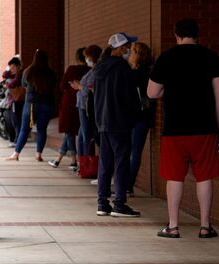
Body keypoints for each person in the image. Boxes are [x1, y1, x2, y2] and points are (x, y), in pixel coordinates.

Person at [147, 18, 219, 238]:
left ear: (177, 34)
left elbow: (151, 93)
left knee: (174, 177)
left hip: (174, 129)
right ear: (197, 34)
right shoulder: (211, 57)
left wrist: (171, 92)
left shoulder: (166, 58)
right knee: (204, 177)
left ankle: (173, 226)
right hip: (204, 128)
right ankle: (205, 226)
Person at [92, 32, 141, 217]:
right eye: (127, 47)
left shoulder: (100, 68)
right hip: (120, 121)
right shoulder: (122, 67)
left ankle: (102, 203)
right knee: (121, 162)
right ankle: (119, 203)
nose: (129, 50)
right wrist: (135, 114)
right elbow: (129, 96)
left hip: (103, 122)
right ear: (120, 48)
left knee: (105, 162)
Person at [6, 49, 57, 162]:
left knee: (24, 129)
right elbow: (54, 86)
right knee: (42, 129)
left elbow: (24, 84)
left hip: (31, 104)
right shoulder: (51, 73)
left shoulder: (28, 71)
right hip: (47, 104)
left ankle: (16, 154)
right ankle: (38, 154)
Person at [48, 48, 90, 169]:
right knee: (73, 131)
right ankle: (59, 159)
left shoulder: (72, 69)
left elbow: (62, 86)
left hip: (70, 103)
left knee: (69, 132)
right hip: (84, 104)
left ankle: (73, 161)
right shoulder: (90, 70)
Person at [127, 42, 155, 196]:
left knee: (134, 152)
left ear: (138, 54)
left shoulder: (142, 73)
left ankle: (127, 185)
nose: (129, 55)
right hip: (138, 117)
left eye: (132, 51)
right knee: (132, 151)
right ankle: (126, 184)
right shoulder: (140, 72)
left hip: (139, 118)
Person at [70, 45, 102, 160]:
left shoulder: (97, 71)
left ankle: (87, 162)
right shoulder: (92, 70)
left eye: (87, 57)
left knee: (86, 136)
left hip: (86, 106)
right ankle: (82, 162)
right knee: (82, 135)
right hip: (82, 105)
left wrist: (79, 86)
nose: (86, 60)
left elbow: (92, 89)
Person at [2, 56, 25, 148]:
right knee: (17, 121)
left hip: (18, 100)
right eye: (10, 68)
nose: (11, 70)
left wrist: (7, 85)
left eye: (13, 67)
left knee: (16, 121)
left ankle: (17, 141)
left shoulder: (20, 74)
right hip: (19, 100)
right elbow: (5, 74)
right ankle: (17, 140)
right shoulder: (18, 73)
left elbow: (13, 83)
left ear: (19, 66)